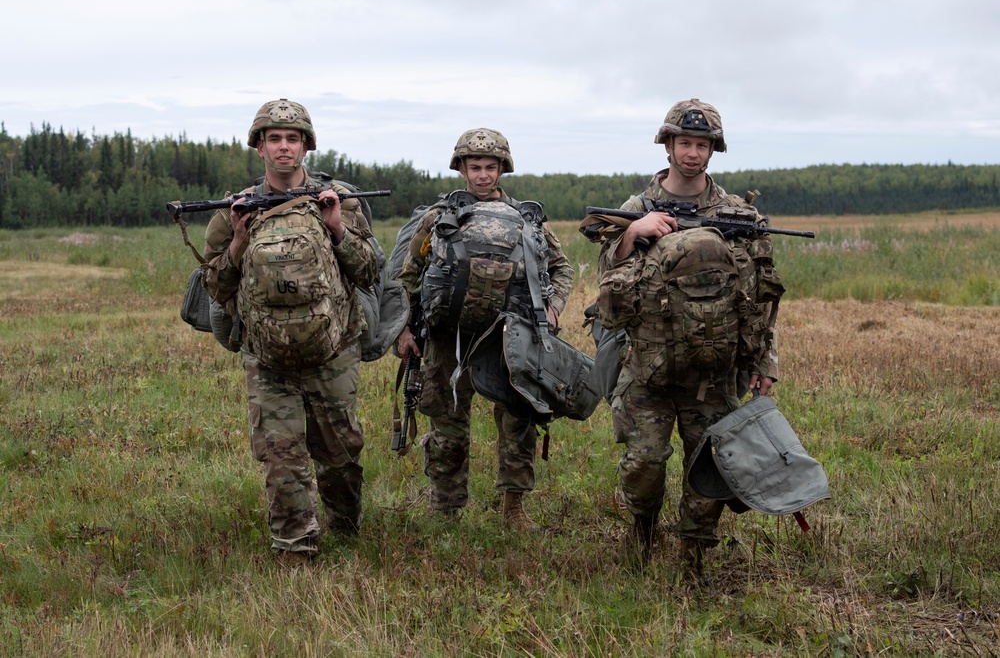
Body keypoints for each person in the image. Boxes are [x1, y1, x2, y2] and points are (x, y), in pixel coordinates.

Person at [596, 99, 781, 571]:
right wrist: (634, 232)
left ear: (713, 150)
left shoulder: (737, 215)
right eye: (685, 143)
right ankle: (643, 528)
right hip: (649, 369)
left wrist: (764, 362)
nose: (693, 153)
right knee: (645, 465)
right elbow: (606, 280)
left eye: (702, 145)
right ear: (668, 145)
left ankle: (695, 556)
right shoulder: (636, 209)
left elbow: (763, 297)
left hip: (712, 373)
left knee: (710, 471)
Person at [201, 98, 379, 564]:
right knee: (281, 460)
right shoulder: (231, 211)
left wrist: (337, 227)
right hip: (268, 358)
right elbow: (216, 288)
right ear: (259, 146)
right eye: (274, 139)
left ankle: (346, 525)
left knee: (340, 456)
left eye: (292, 139)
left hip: (333, 351)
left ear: (307, 146)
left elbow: (369, 273)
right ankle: (295, 550)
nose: (284, 148)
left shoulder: (340, 202)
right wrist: (238, 241)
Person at [395, 128, 574, 529]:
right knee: (446, 422)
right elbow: (410, 276)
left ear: (503, 169)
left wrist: (553, 307)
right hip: (446, 335)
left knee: (518, 420)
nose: (482, 175)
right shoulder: (439, 218)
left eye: (490, 166)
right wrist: (405, 331)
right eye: (474, 166)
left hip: (509, 335)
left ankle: (514, 509)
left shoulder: (527, 220)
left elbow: (561, 268)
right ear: (460, 168)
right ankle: (446, 508)